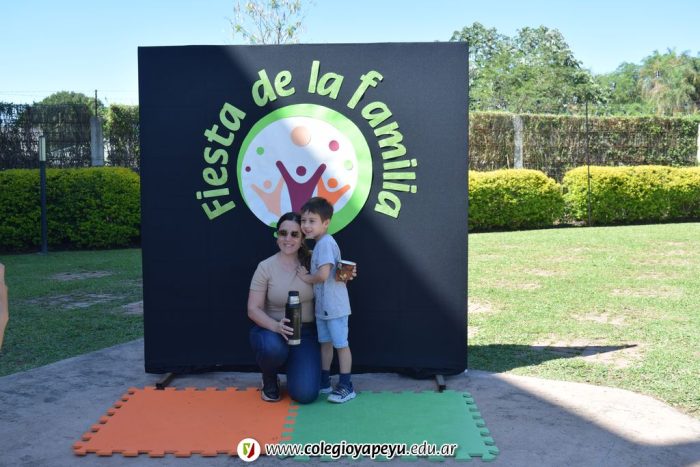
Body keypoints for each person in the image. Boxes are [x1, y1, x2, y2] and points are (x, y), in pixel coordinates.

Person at [247, 212, 320, 403]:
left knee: (305, 395)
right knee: (273, 348)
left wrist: (345, 275)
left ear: (302, 238)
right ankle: (269, 377)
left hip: (305, 333)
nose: (288, 239)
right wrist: (276, 327)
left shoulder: (314, 261)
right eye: (283, 233)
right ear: (277, 235)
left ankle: (296, 368)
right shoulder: (265, 267)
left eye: (294, 234)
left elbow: (333, 276)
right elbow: (253, 309)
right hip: (272, 330)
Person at [297, 197, 355, 404]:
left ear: (326, 223)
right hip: (324, 308)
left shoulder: (326, 244)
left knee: (341, 344)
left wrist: (306, 278)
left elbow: (322, 275)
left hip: (335, 307)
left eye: (312, 221)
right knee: (326, 344)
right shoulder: (320, 245)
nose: (306, 225)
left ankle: (346, 386)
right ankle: (324, 382)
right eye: (304, 221)